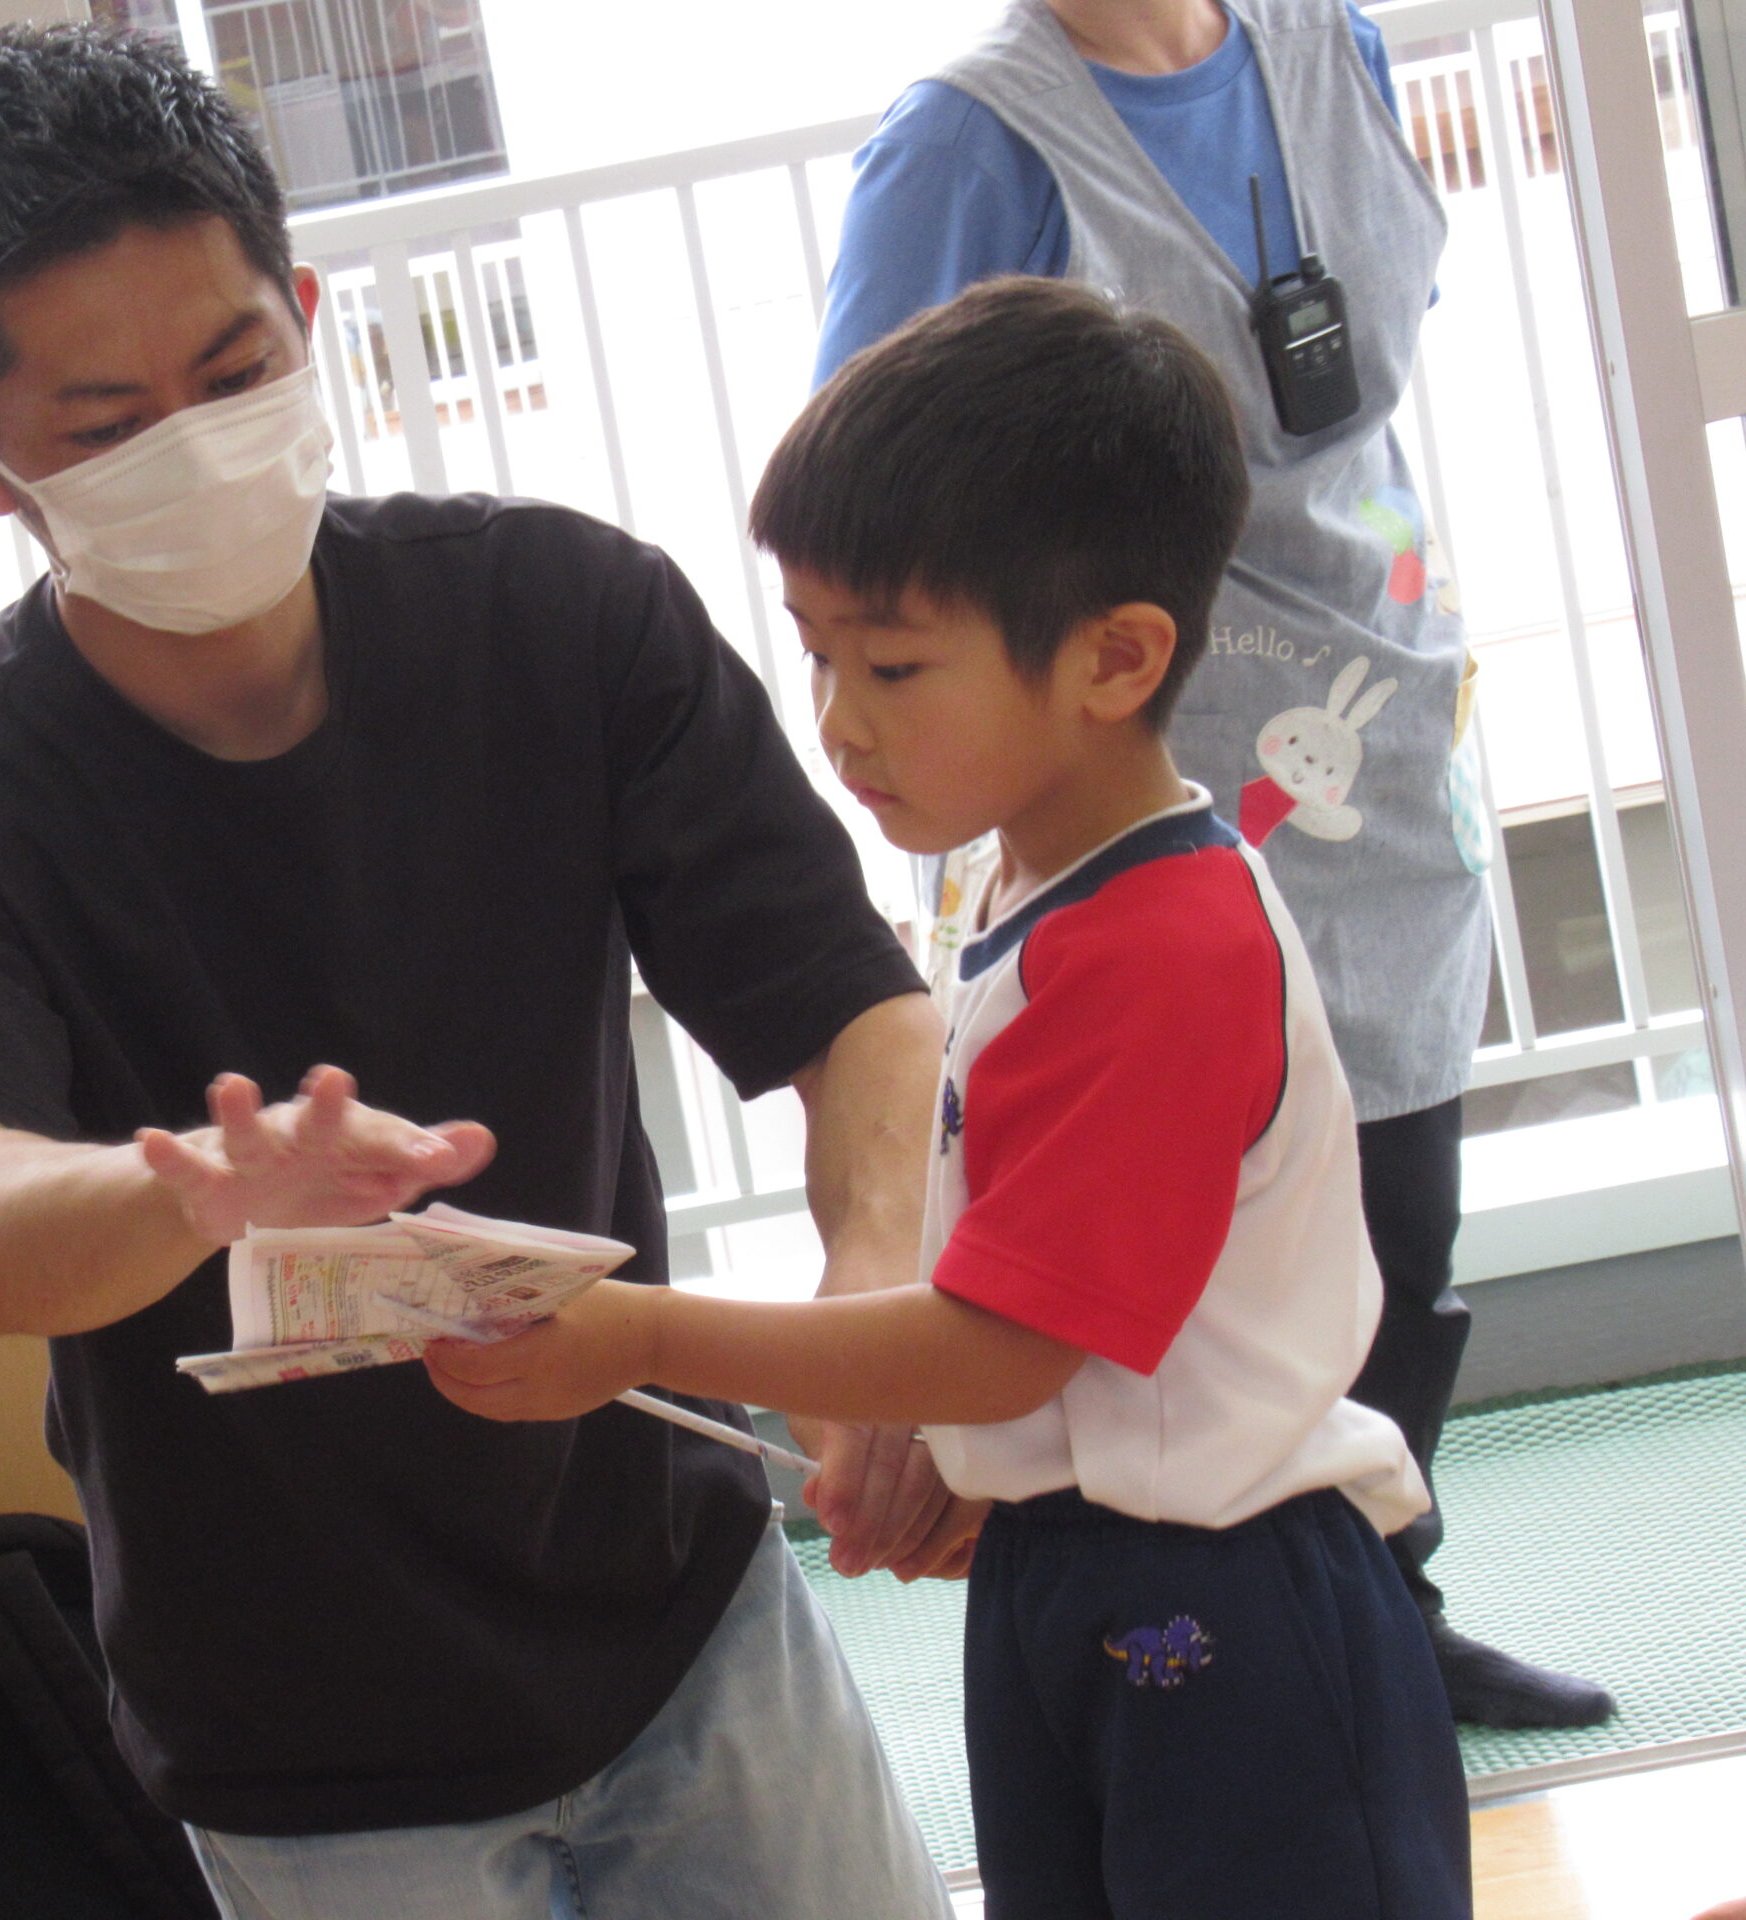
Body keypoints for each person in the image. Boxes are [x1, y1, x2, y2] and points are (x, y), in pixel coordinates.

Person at [0, 24, 961, 1919]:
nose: (196, 446)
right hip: (305, 1745)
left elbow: (852, 1007)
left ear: (309, 316)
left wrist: (871, 1290)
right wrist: (188, 1192)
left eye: (237, 372)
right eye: (106, 424)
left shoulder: (565, 618)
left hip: (677, 1612)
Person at [427, 276, 1473, 1920]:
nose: (840, 723)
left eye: (896, 666)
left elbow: (1000, 1341)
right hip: (1077, 1569)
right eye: (817, 655)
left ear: (1117, 658)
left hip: (1233, 1602)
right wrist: (976, 1460)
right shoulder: (1033, 880)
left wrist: (638, 1337)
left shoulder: (1160, 942)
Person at [811, 0, 1616, 1731]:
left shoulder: (1333, 46)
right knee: (1165, 1263)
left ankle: (1381, 1594)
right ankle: (1210, 1640)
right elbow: (871, 515)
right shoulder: (968, 140)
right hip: (1144, 771)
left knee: (1390, 1207)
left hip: (1375, 710)